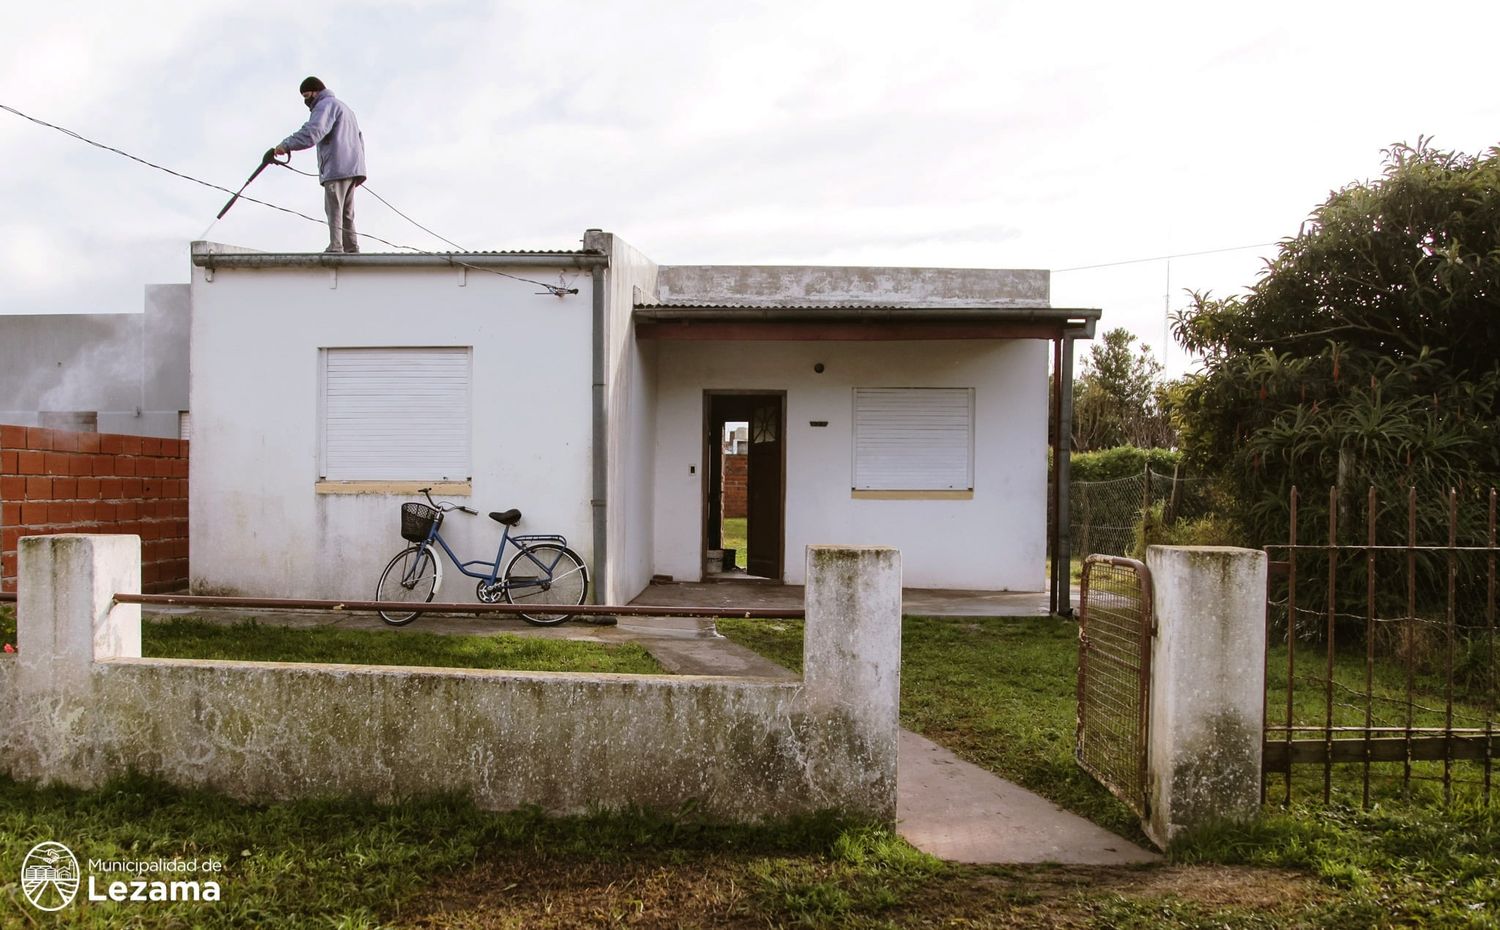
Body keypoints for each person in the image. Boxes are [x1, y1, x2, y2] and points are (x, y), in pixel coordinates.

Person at [274, 77, 366, 253]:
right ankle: (351, 249)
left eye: (307, 96)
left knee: (334, 209)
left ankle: (336, 247)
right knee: (347, 213)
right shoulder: (345, 108)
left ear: (316, 92)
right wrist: (358, 169)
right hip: (352, 167)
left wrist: (285, 145)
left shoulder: (324, 105)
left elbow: (312, 132)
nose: (306, 101)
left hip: (337, 166)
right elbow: (360, 139)